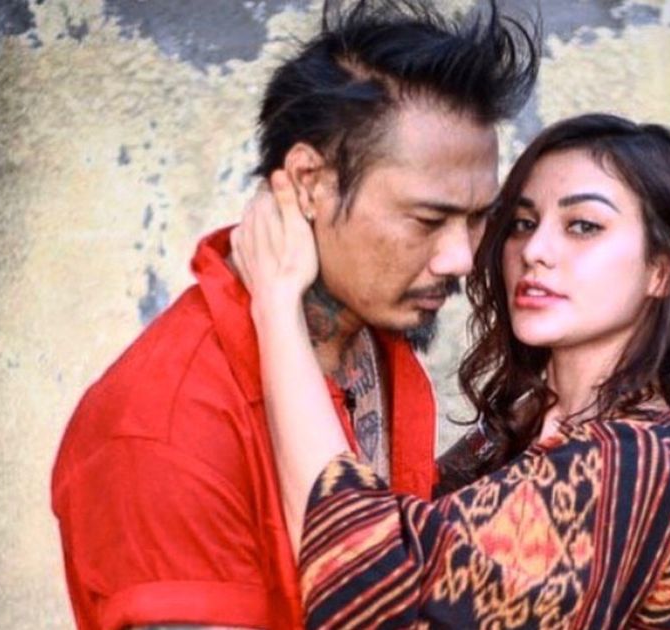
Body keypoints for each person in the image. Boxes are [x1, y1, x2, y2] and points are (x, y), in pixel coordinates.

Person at [50, 1, 539, 628]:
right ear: (309, 182)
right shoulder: (164, 429)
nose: (461, 258)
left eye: (477, 218)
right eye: (428, 219)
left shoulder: (372, 332)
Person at [233, 113, 670, 628]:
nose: (534, 250)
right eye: (522, 222)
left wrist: (278, 304)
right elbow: (414, 534)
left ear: (663, 270)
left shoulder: (633, 457)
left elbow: (360, 587)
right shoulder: (531, 427)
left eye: (583, 226)